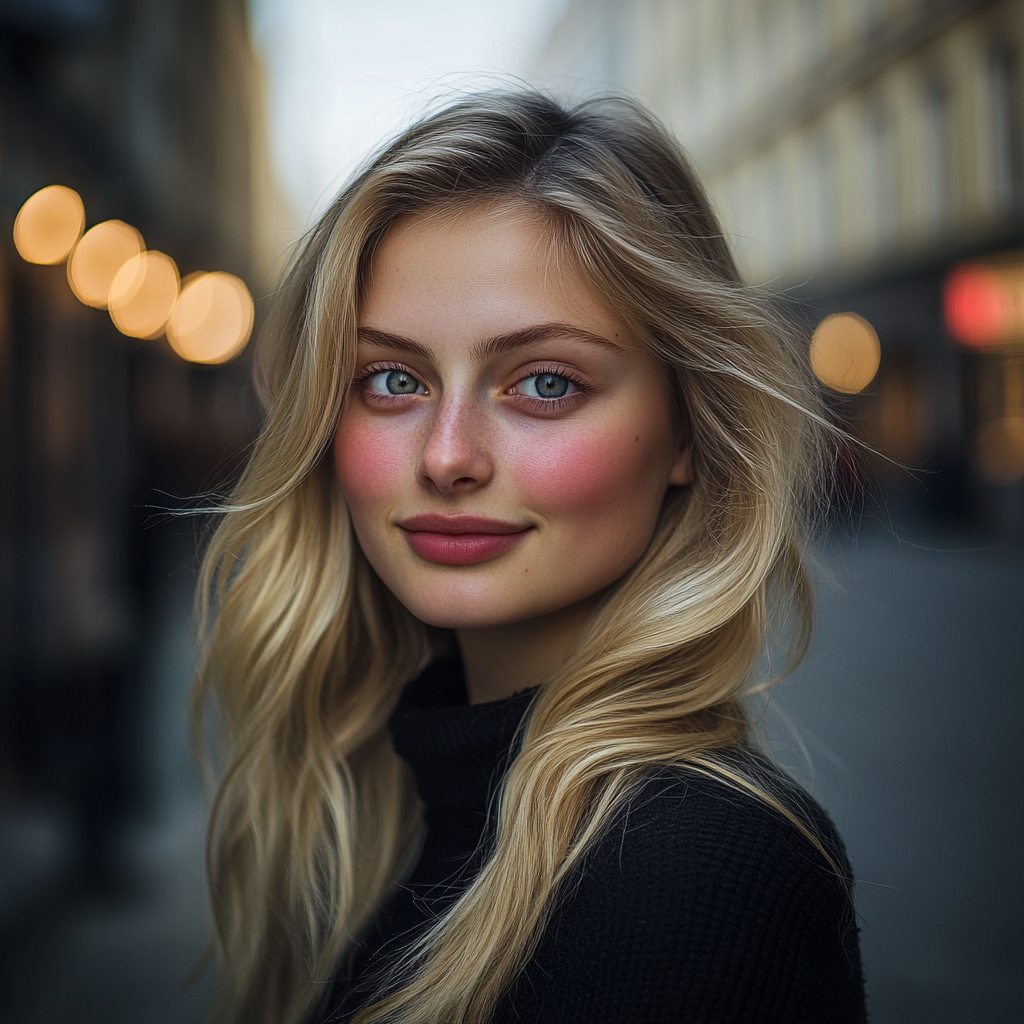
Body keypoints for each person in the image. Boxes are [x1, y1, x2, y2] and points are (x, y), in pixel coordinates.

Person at [193, 90, 867, 1024]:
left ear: (687, 430)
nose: (446, 455)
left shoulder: (703, 869)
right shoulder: (373, 820)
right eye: (392, 380)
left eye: (545, 383)